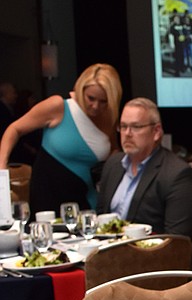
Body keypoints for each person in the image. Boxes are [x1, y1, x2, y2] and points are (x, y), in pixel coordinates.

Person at [97, 96, 192, 268]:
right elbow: (101, 217)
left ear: (156, 132)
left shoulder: (177, 174)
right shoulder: (113, 164)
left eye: (136, 127)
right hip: (111, 261)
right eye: (123, 126)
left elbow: (176, 243)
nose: (127, 133)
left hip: (156, 269)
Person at [0, 62, 121, 212]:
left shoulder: (109, 117)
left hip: (86, 200)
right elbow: (14, 129)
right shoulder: (58, 107)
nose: (96, 106)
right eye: (91, 98)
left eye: (103, 101)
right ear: (80, 90)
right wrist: (2, 169)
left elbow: (114, 151)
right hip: (47, 197)